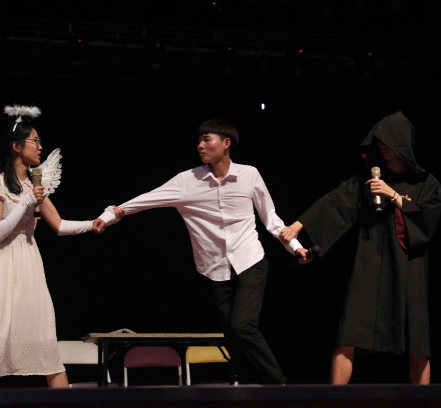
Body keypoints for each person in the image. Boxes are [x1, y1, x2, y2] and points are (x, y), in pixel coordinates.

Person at [93, 119, 308, 384]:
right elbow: (147, 199)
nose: (200, 146)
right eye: (199, 141)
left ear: (226, 143)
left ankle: (280, 385)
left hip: (250, 260)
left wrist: (295, 247)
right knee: (232, 335)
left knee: (242, 325)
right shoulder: (188, 181)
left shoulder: (249, 175)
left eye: (207, 140)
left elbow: (271, 218)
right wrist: (110, 215)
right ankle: (244, 387)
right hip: (215, 268)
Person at [0, 105, 124, 390]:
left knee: (43, 335)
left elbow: (59, 225)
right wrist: (27, 201)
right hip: (0, 262)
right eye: (35, 141)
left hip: (28, 260)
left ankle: (66, 407)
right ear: (16, 146)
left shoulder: (33, 186)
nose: (40, 146)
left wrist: (96, 223)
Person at [280, 111, 441, 384]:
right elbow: (335, 203)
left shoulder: (426, 183)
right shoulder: (367, 178)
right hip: (370, 263)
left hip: (408, 267)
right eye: (378, 141)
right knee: (348, 334)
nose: (382, 146)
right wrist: (298, 226)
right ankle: (336, 401)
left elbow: (427, 221)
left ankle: (423, 401)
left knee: (417, 340)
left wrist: (393, 195)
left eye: (387, 140)